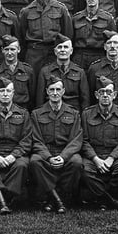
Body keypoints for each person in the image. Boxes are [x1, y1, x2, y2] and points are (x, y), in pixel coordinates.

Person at [29, 75, 83, 213]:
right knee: (35, 161)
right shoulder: (37, 113)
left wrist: (63, 157)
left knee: (77, 162)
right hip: (46, 151)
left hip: (65, 151)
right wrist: (48, 157)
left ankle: (54, 198)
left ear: (63, 91)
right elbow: (36, 139)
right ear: (47, 91)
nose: (55, 93)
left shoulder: (73, 113)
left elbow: (76, 139)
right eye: (51, 89)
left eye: (58, 89)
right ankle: (58, 199)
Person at [0, 77, 32, 214]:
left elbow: (26, 141)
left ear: (13, 93)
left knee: (22, 165)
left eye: (8, 91)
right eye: (2, 91)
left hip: (15, 153)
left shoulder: (23, 114)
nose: (5, 94)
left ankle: (1, 201)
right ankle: (4, 203)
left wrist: (13, 156)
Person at [80, 77, 118, 211]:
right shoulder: (86, 114)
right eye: (102, 92)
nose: (105, 95)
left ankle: (101, 198)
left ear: (114, 95)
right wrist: (95, 159)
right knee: (85, 171)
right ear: (96, 95)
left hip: (115, 155)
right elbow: (83, 141)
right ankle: (111, 201)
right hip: (94, 154)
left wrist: (111, 158)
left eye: (109, 92)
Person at [19, 0, 73, 73]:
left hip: (54, 52)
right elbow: (21, 36)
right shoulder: (26, 11)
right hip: (34, 53)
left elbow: (67, 34)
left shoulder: (60, 9)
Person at [37, 35, 90, 110]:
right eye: (59, 47)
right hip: (50, 112)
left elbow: (85, 99)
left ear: (71, 51)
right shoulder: (45, 71)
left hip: (73, 113)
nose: (62, 50)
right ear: (55, 51)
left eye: (65, 47)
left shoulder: (80, 72)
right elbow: (40, 99)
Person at [88, 30, 118, 111]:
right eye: (109, 43)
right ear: (104, 47)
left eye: (115, 43)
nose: (112, 46)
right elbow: (91, 93)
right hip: (102, 109)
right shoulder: (95, 68)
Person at [72, 0, 116, 70]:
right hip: (80, 56)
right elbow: (71, 40)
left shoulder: (108, 19)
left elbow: (112, 41)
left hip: (99, 56)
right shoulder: (76, 18)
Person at [0, 35, 35, 110]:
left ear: (19, 49)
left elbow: (32, 95)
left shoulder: (28, 70)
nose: (9, 53)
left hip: (22, 111)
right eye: (7, 49)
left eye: (13, 49)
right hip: (1, 111)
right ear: (2, 50)